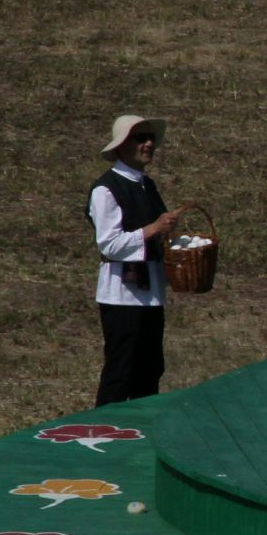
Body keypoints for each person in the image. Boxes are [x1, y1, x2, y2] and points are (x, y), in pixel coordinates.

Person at [88, 115, 178, 406]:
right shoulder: (106, 189)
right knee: (120, 373)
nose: (148, 144)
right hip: (121, 296)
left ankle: (140, 435)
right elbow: (109, 244)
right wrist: (154, 228)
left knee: (150, 371)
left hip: (150, 293)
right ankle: (103, 436)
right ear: (122, 146)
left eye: (150, 138)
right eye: (140, 138)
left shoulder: (146, 185)